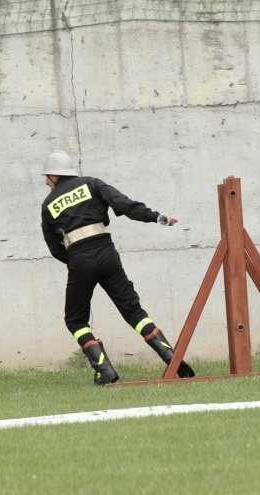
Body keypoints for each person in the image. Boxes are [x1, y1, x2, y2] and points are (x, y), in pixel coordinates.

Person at [40, 149, 195, 385]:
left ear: (54, 176)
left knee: (76, 321)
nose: (46, 182)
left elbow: (54, 246)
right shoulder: (91, 184)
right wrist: (157, 217)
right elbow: (124, 205)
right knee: (134, 312)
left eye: (47, 178)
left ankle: (105, 370)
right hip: (106, 250)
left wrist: (75, 262)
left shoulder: (48, 204)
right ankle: (169, 355)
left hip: (79, 258)